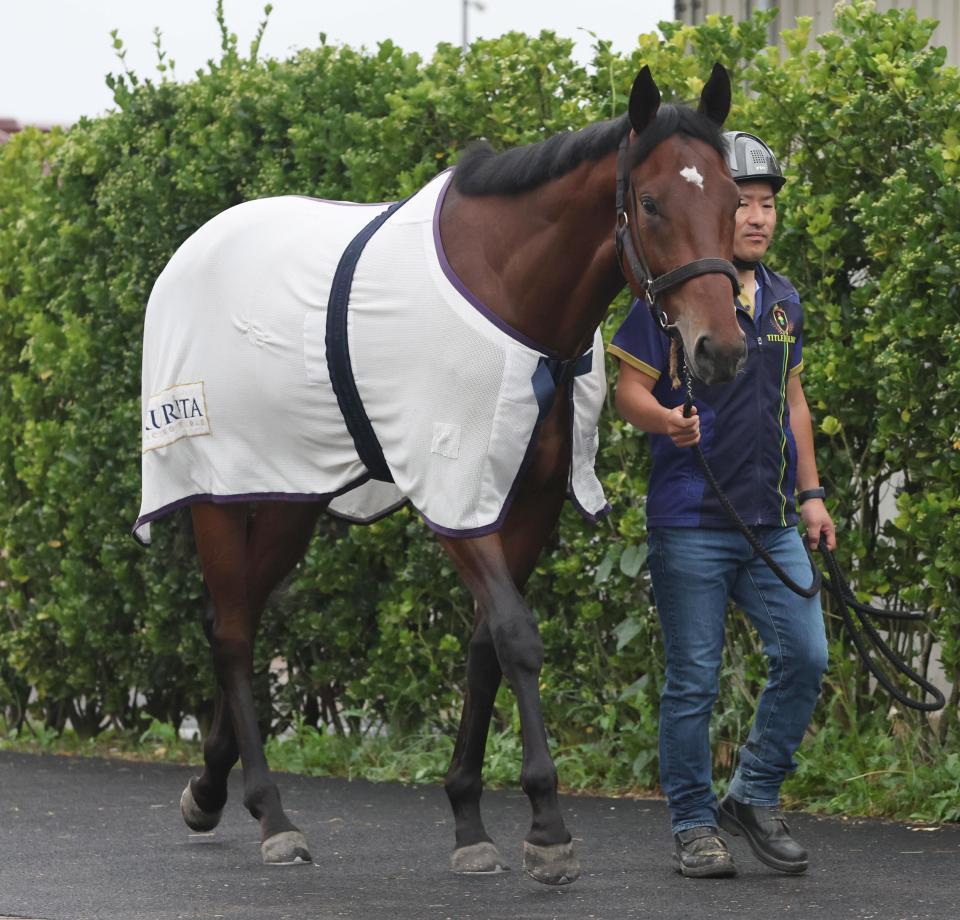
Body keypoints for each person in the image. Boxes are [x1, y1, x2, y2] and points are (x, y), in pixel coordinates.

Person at [607, 131, 836, 878]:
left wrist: (811, 495)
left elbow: (794, 403)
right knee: (694, 681)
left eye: (769, 206)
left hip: (770, 521)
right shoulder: (668, 293)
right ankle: (693, 826)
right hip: (690, 524)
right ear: (716, 211)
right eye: (745, 204)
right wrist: (665, 421)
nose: (759, 218)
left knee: (806, 655)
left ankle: (753, 792)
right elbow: (628, 391)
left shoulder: (782, 300)